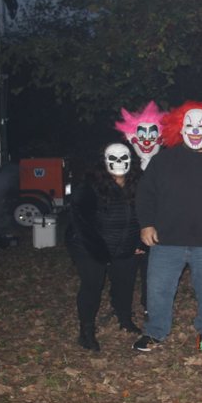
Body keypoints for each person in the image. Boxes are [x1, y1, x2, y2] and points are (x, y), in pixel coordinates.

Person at [132, 101, 202, 353]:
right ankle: (155, 332)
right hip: (167, 240)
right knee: (158, 290)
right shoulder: (163, 160)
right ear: (179, 128)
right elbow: (145, 194)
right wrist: (146, 224)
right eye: (190, 125)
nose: (195, 130)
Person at [66, 143, 143, 351]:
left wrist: (139, 242)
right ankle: (86, 331)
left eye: (123, 158)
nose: (119, 163)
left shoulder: (139, 184)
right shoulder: (89, 186)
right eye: (113, 158)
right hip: (91, 247)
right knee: (92, 286)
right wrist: (98, 251)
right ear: (104, 161)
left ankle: (124, 319)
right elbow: (81, 221)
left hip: (126, 245)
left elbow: (146, 213)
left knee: (125, 284)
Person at [114, 101, 169, 315]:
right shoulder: (124, 167)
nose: (147, 141)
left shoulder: (166, 166)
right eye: (141, 135)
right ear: (131, 138)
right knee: (125, 274)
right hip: (129, 232)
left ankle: (149, 306)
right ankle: (122, 311)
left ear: (161, 138)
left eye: (152, 136)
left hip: (158, 232)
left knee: (152, 272)